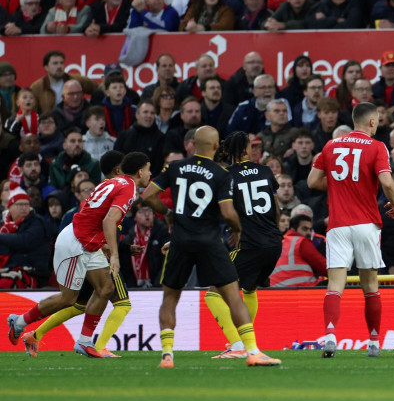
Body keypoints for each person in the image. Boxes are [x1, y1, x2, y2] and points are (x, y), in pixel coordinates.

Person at [142, 126, 280, 368]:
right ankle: (250, 349)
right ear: (216, 147)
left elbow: (148, 196)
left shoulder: (175, 168)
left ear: (193, 143)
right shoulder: (223, 173)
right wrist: (237, 229)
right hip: (225, 241)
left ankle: (167, 354)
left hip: (186, 240)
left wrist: (169, 215)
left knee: (172, 297)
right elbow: (230, 213)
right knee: (236, 294)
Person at [7, 152, 151, 359]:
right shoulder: (128, 188)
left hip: (89, 242)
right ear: (140, 171)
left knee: (105, 288)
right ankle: (19, 321)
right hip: (76, 242)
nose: (150, 173)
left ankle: (84, 342)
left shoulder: (112, 182)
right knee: (68, 299)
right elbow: (108, 221)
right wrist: (116, 256)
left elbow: (94, 215)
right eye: (148, 169)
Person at [307, 102, 394, 358]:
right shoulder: (377, 146)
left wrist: (339, 187)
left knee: (335, 285)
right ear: (371, 122)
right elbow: (387, 182)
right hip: (366, 224)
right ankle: (373, 343)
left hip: (337, 225)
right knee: (370, 286)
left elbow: (312, 181)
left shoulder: (331, 144)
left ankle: (329, 337)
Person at [202, 132, 283, 359]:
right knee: (249, 289)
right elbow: (276, 210)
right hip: (274, 243)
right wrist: (274, 235)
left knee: (214, 293)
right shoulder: (266, 171)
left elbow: (217, 211)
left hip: (249, 243)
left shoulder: (225, 175)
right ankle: (245, 343)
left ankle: (237, 344)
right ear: (247, 150)